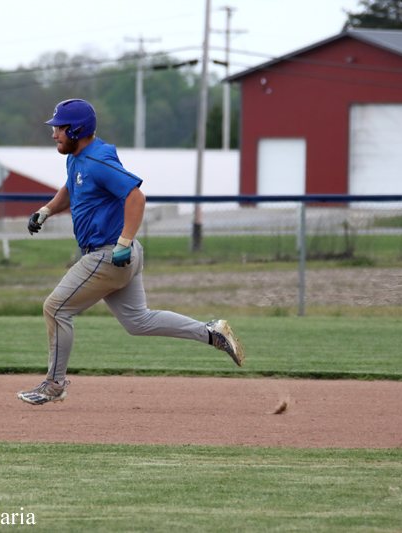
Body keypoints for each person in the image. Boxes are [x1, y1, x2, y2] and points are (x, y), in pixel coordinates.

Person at [17, 98, 245, 406]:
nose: (54, 134)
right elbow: (72, 188)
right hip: (118, 253)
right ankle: (210, 332)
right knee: (138, 322)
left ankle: (54, 386)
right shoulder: (77, 157)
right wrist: (46, 210)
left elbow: (136, 197)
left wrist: (124, 242)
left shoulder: (97, 160)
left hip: (110, 254)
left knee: (56, 308)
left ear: (77, 129)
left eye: (59, 128)